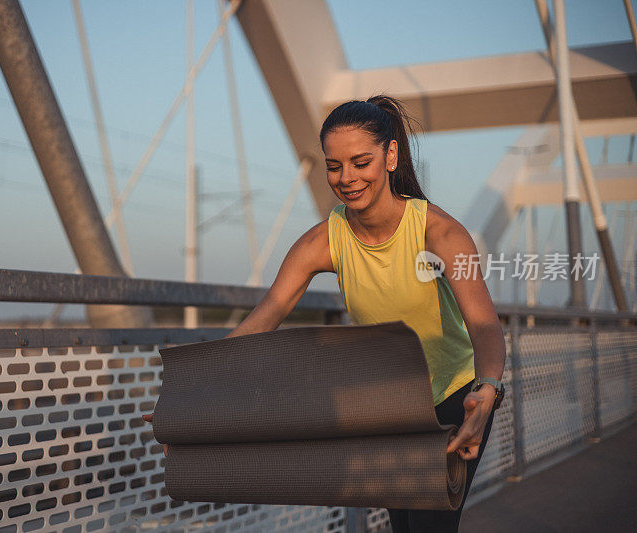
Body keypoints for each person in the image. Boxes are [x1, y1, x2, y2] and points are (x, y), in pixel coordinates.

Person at [145, 95, 506, 532]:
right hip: (389, 403)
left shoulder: (442, 233)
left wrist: (487, 392)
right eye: (335, 166)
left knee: (428, 525)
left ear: (390, 156)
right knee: (402, 524)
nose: (347, 178)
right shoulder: (323, 241)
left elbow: (484, 324)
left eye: (360, 162)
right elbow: (263, 321)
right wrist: (189, 398)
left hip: (458, 395)